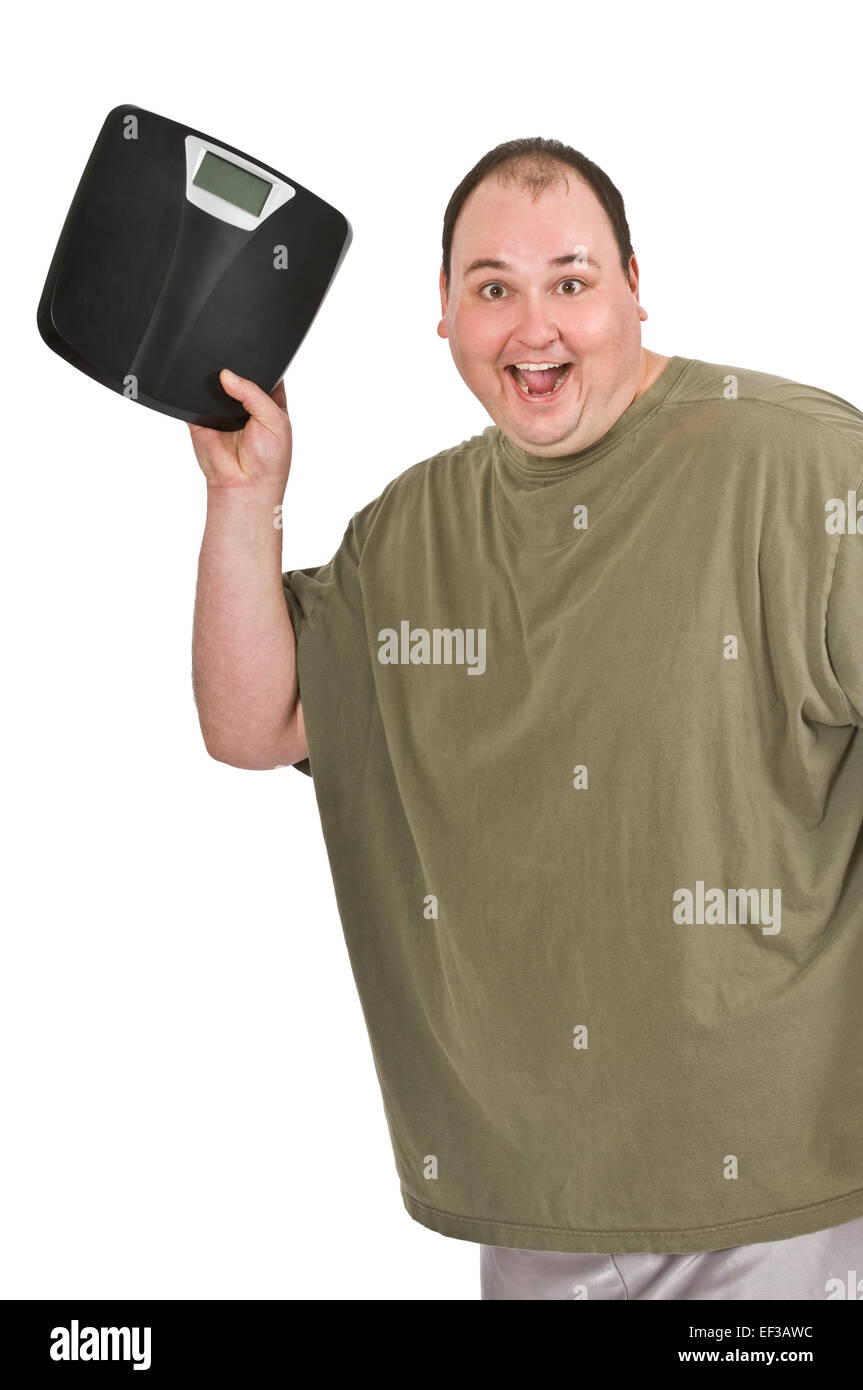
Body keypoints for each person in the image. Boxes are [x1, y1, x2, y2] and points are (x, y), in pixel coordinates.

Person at [188, 138, 863, 1300]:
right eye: (491, 287)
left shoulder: (797, 464)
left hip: (780, 1196)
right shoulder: (412, 532)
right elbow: (258, 722)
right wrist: (244, 497)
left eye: (570, 279)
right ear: (443, 316)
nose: (532, 326)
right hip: (537, 1194)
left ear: (634, 285)